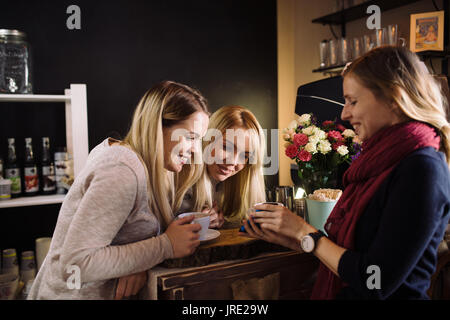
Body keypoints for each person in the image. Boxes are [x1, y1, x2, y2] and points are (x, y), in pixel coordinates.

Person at [241, 46, 450, 299]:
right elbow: (349, 254)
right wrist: (294, 238)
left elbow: (376, 279)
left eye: (353, 101)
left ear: (393, 98)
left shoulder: (422, 169)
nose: (344, 113)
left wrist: (303, 231)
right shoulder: (377, 160)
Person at [28, 80, 210, 299]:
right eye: (190, 138)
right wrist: (165, 246)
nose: (195, 150)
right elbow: (75, 265)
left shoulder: (144, 164)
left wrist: (141, 263)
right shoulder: (122, 169)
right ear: (156, 126)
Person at [177, 105, 266, 228]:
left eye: (245, 156)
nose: (233, 162)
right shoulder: (181, 175)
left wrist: (218, 222)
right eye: (226, 147)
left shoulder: (235, 182)